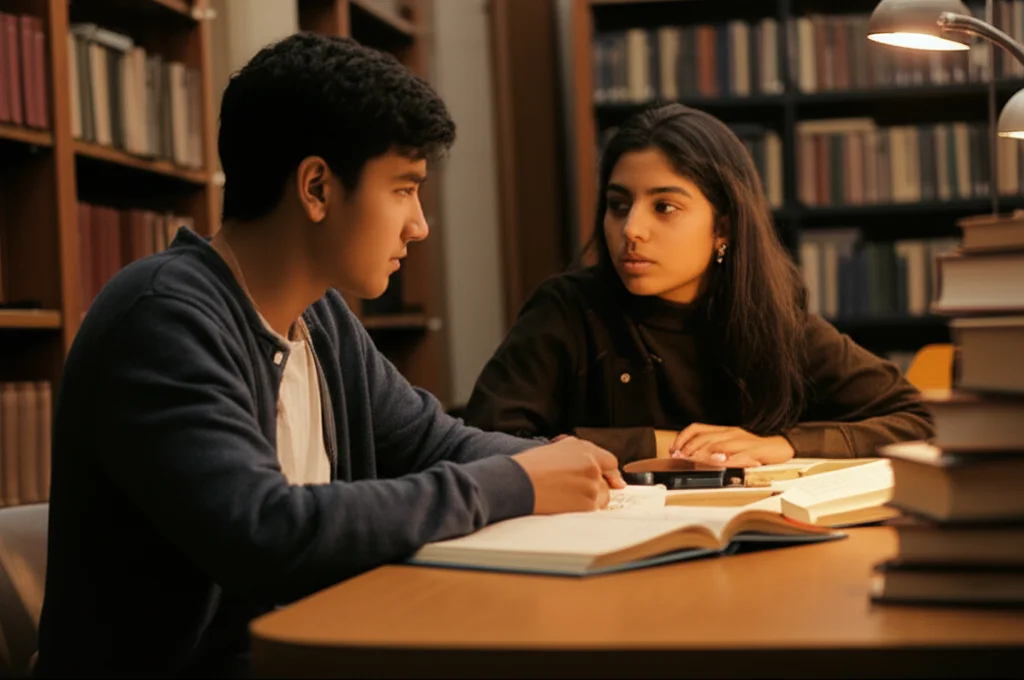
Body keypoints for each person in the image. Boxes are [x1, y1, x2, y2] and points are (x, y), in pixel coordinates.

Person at [35, 33, 623, 678]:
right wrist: (517, 482)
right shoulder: (161, 316)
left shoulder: (319, 316)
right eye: (403, 189)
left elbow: (433, 441)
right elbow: (264, 529)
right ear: (316, 187)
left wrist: (564, 465)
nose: (419, 224)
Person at [464, 102, 934, 468]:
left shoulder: (773, 321)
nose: (631, 229)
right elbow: (481, 442)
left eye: (664, 207)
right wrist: (655, 445)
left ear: (723, 228)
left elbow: (920, 421)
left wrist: (784, 445)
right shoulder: (567, 309)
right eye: (618, 204)